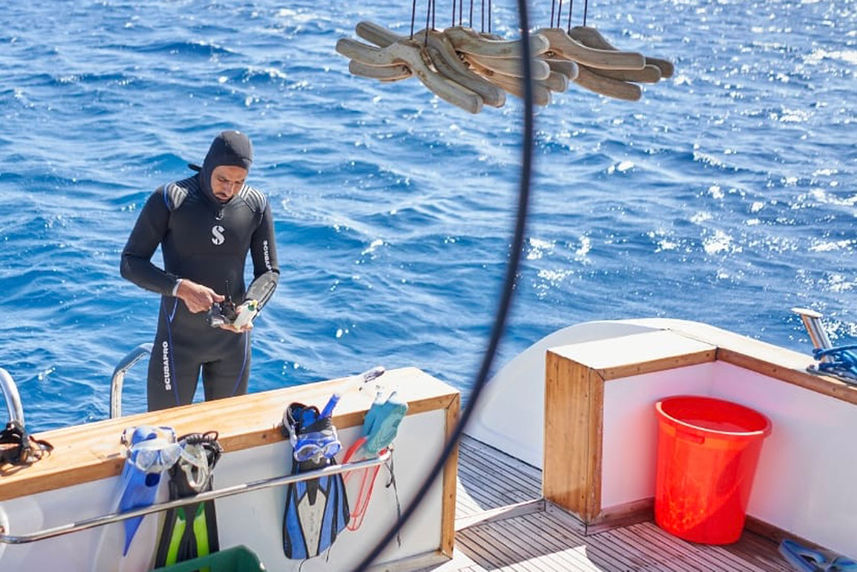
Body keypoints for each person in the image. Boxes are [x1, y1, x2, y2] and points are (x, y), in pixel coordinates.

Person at [121, 130, 279, 411]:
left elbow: (268, 272)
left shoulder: (255, 205)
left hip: (232, 341)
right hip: (177, 342)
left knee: (226, 433)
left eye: (239, 182)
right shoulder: (172, 199)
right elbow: (131, 262)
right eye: (222, 179)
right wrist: (181, 288)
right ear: (207, 166)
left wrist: (250, 308)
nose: (229, 190)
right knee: (165, 433)